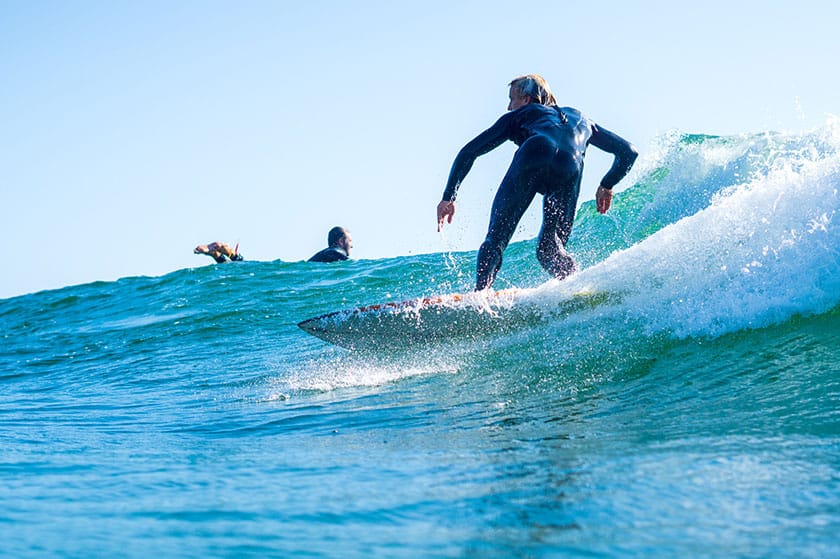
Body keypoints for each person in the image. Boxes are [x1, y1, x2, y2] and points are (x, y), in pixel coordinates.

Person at [437, 74, 638, 290]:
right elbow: (629, 152)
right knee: (550, 248)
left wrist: (449, 197)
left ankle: (480, 295)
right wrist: (607, 184)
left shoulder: (524, 113)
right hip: (570, 167)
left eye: (511, 99)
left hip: (534, 152)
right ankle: (578, 287)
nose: (508, 107)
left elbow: (469, 151)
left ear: (526, 99)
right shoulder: (583, 120)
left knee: (496, 239)